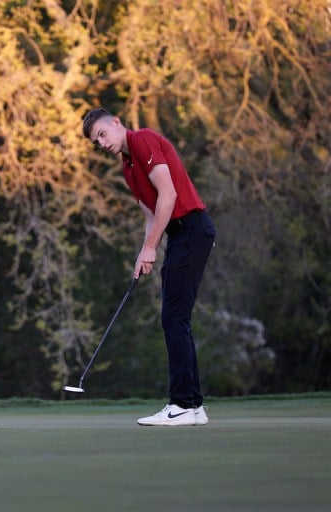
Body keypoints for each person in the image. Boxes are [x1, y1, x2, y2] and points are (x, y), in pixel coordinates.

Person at [82, 107, 216, 426]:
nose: (101, 142)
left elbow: (168, 195)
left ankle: (182, 404)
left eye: (102, 134)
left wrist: (152, 248)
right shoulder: (128, 167)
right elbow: (151, 215)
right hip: (180, 234)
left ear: (116, 123)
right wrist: (144, 252)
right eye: (95, 141)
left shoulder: (142, 140)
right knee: (176, 318)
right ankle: (193, 406)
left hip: (192, 228)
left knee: (173, 318)